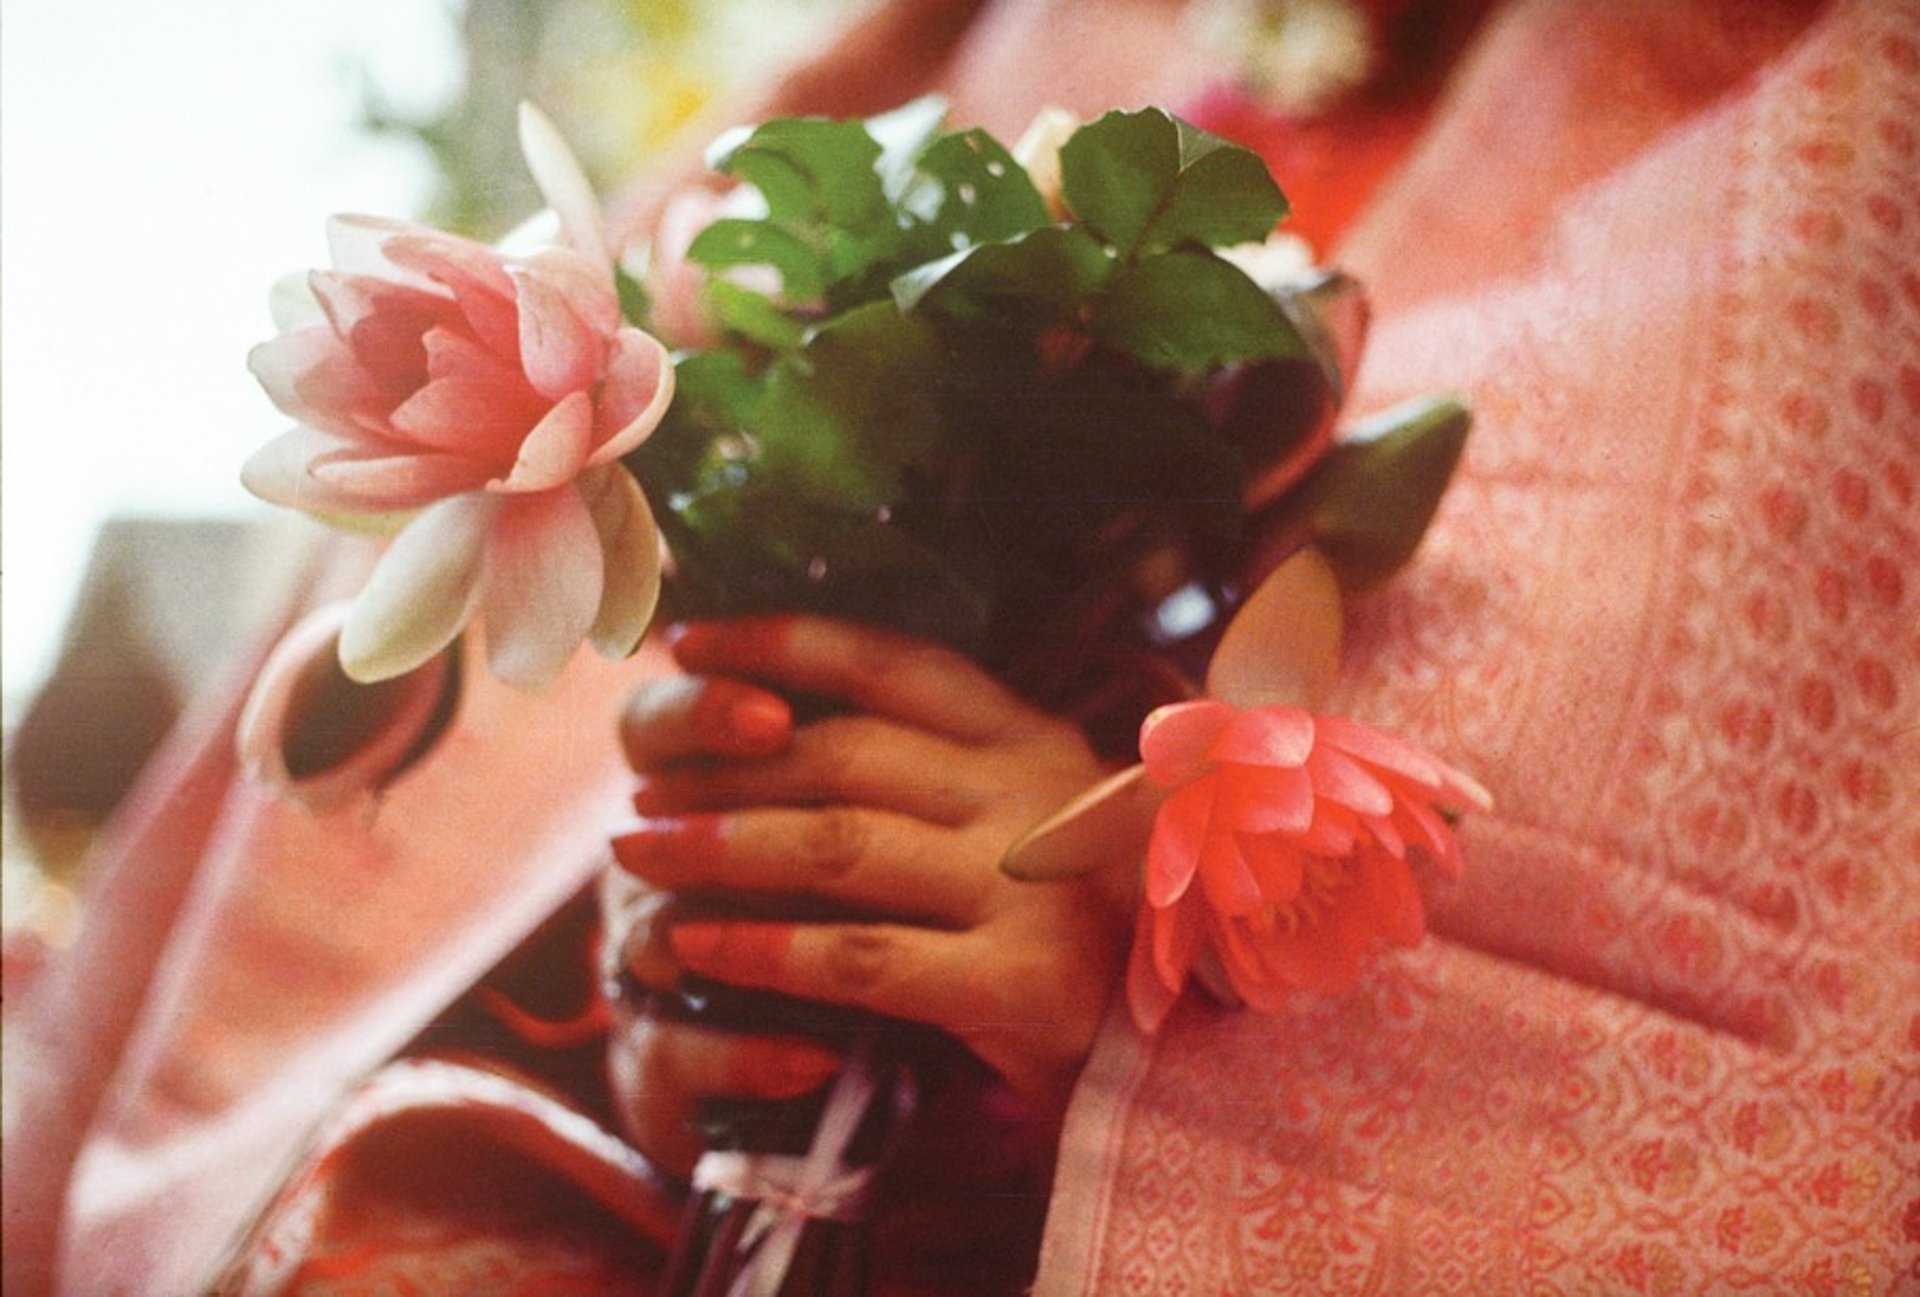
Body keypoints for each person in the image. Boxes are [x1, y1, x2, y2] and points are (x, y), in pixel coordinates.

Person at [6, 0, 1914, 1292]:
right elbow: (527, 881)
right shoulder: (931, 85)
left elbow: (1789, 1037)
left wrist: (1133, 1074)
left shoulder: (1829, 196)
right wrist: (696, 1008)